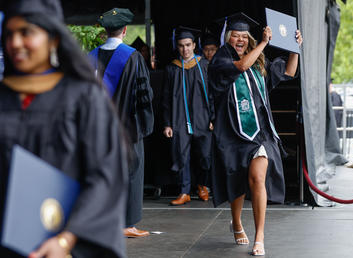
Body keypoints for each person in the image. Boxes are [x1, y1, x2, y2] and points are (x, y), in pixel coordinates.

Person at [0, 0, 128, 257]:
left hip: (65, 244)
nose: (15, 43)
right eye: (9, 34)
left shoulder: (83, 97)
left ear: (53, 38)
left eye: (26, 33)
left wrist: (66, 239)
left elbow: (105, 175)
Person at [208, 13, 302, 256]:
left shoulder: (259, 61)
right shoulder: (221, 59)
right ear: (228, 38)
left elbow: (289, 72)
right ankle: (237, 222)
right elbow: (241, 66)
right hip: (233, 132)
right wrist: (263, 43)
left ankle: (259, 236)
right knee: (237, 181)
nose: (239, 39)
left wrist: (295, 49)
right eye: (235, 36)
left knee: (257, 179)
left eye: (243, 36)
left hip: (260, 132)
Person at [89, 8, 154, 238]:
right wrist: (145, 125)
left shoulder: (91, 56)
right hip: (128, 129)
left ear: (105, 30)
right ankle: (127, 224)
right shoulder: (133, 57)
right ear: (125, 30)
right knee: (132, 173)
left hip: (99, 128)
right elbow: (144, 95)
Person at [162, 26, 213, 205]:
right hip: (179, 117)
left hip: (203, 117)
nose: (185, 49)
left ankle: (202, 185)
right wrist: (167, 123)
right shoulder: (172, 68)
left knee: (205, 155)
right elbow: (166, 97)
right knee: (181, 154)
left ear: (194, 45)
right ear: (177, 46)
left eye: (188, 45)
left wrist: (213, 118)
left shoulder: (204, 65)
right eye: (181, 46)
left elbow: (213, 93)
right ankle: (184, 191)